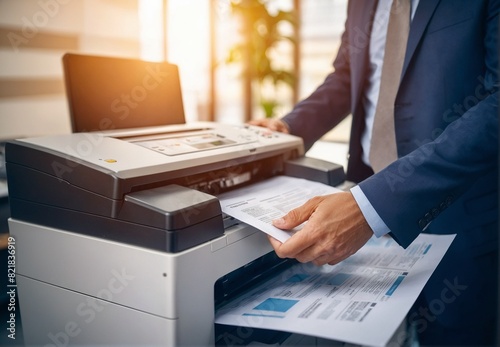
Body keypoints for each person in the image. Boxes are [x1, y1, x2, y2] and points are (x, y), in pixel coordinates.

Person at [250, 0, 499, 346]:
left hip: (457, 222)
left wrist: (373, 206)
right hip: (367, 216)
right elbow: (347, 76)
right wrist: (289, 126)